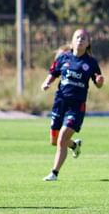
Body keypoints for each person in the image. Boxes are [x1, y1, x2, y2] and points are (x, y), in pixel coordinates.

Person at [41, 28, 104, 181]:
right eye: (77, 37)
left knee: (62, 138)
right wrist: (47, 82)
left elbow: (98, 82)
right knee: (55, 141)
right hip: (60, 103)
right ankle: (74, 146)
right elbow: (53, 73)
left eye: (83, 38)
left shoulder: (91, 63)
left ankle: (54, 173)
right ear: (72, 40)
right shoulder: (63, 58)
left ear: (88, 43)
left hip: (76, 107)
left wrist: (100, 82)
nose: (80, 40)